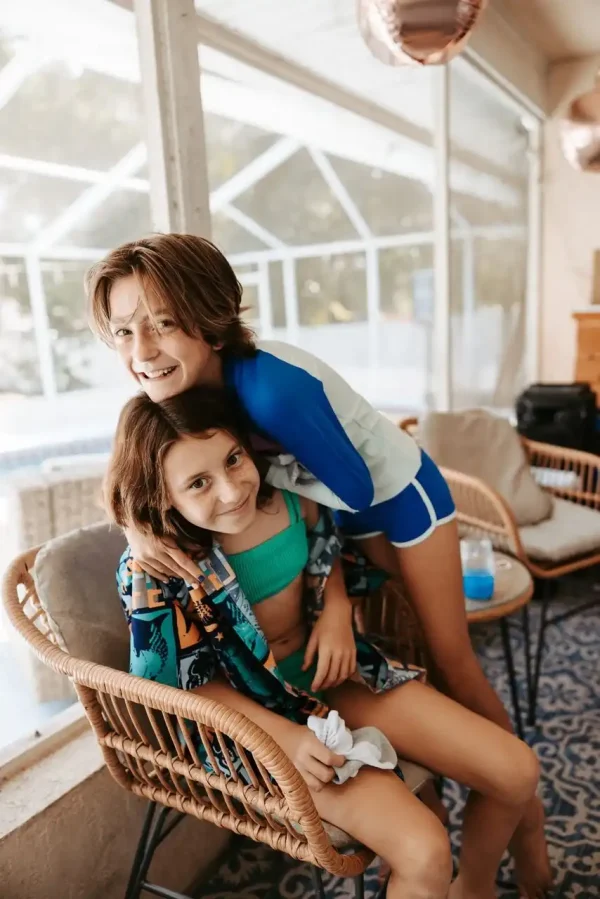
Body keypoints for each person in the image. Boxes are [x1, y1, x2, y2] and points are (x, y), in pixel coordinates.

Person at [87, 233, 552, 897]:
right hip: (265, 718)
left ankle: (476, 882)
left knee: (514, 765)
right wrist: (135, 523)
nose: (229, 489)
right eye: (126, 330)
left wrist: (335, 606)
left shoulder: (269, 458)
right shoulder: (161, 556)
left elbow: (329, 529)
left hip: (343, 661)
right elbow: (174, 684)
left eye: (163, 323)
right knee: (423, 846)